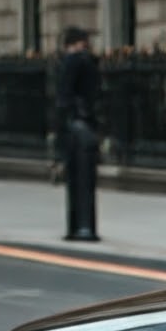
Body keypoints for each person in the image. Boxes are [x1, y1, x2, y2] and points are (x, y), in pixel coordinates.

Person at [56, 26, 103, 242]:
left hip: (75, 126)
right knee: (85, 181)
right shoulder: (91, 63)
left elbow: (64, 97)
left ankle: (77, 226)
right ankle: (85, 225)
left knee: (76, 181)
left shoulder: (73, 62)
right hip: (89, 126)